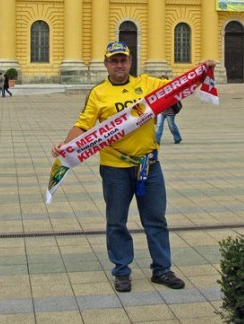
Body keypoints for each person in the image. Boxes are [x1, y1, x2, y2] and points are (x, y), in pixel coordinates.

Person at [52, 41, 215, 293]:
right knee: (116, 221)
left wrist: (201, 69)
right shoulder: (99, 93)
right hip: (114, 168)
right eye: (114, 60)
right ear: (106, 64)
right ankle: (121, 270)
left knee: (156, 220)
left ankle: (162, 269)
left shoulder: (147, 84)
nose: (119, 64)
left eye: (123, 60)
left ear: (130, 62)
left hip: (149, 166)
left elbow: (176, 88)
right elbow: (84, 124)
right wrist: (66, 145)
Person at [155, 77, 183, 144]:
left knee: (171, 125)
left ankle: (177, 138)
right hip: (161, 112)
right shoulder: (158, 91)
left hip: (170, 112)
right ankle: (157, 140)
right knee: (159, 125)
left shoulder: (172, 91)